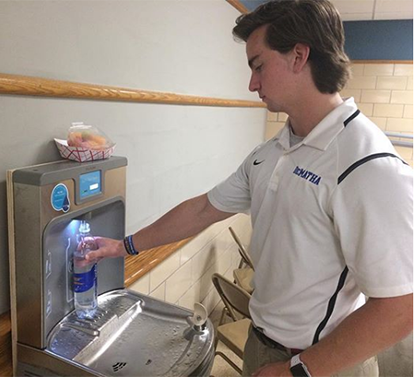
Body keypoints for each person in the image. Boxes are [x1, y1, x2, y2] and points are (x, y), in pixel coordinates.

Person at [81, 1, 413, 376]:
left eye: (258, 66)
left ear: (298, 56)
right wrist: (124, 246)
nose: (252, 83)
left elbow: (399, 309)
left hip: (324, 362)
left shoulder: (367, 166)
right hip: (264, 343)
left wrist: (297, 370)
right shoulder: (272, 152)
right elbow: (205, 209)